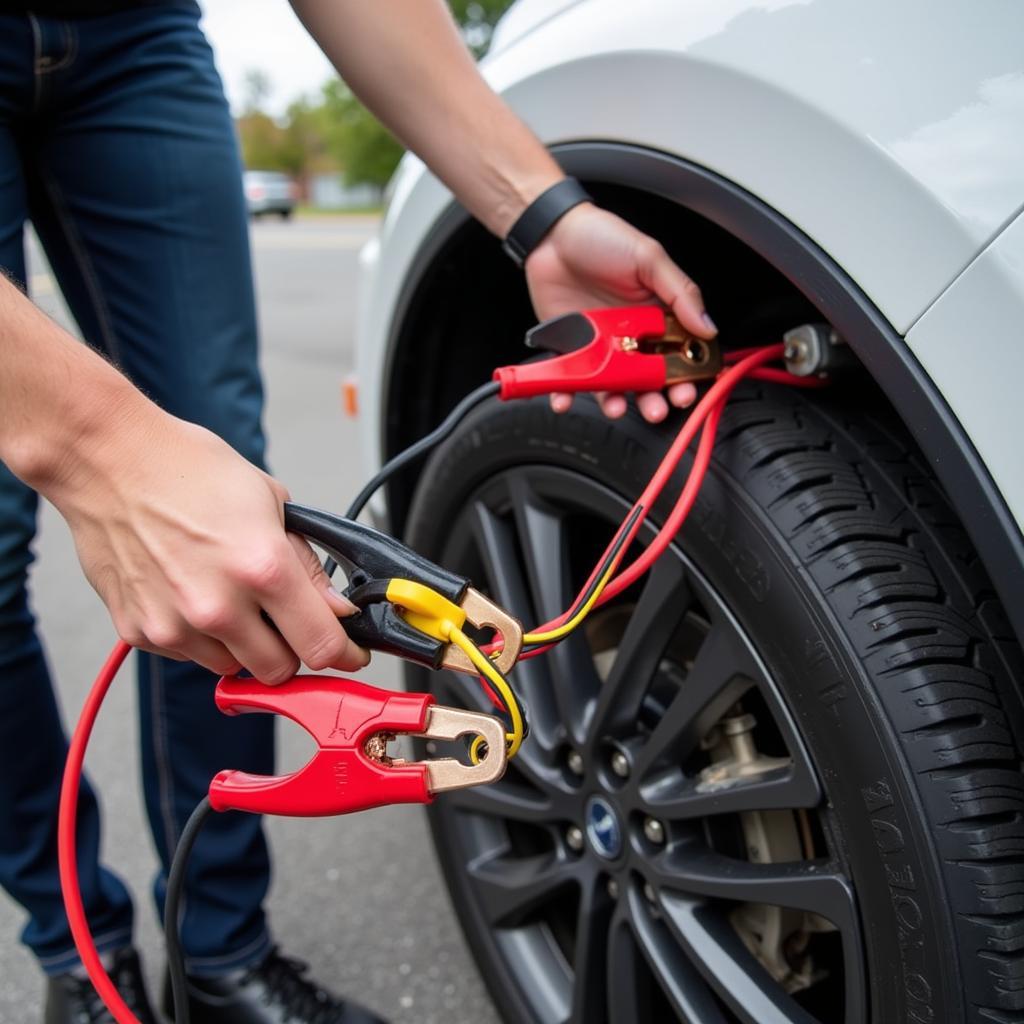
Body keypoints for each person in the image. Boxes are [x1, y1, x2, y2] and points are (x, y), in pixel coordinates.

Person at [0, 2, 716, 1022]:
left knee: (234, 519)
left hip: (137, 31)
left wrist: (539, 209)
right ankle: (76, 950)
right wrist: (91, 447)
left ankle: (217, 956)